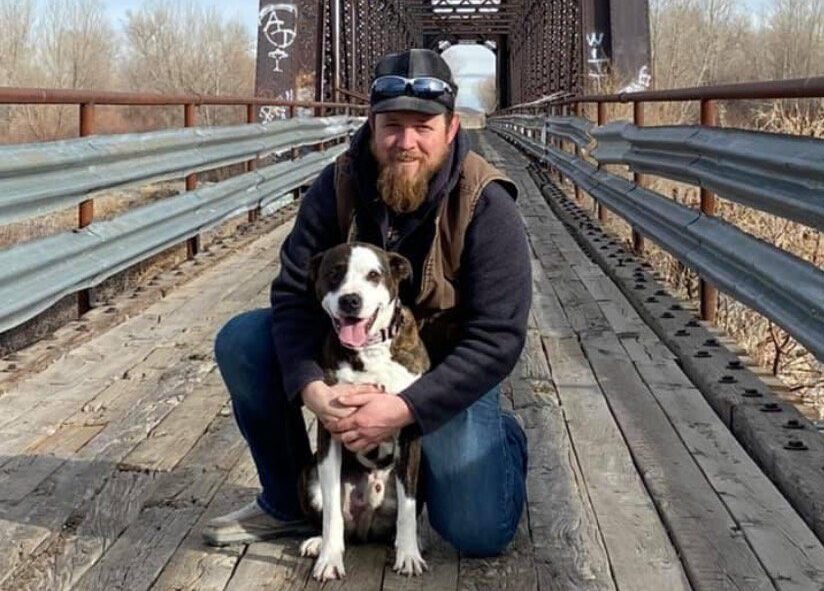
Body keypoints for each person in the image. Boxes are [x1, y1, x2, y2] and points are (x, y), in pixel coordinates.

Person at [206, 48, 531, 557]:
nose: (406, 142)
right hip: (348, 357)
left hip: (445, 374)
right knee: (244, 342)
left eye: (423, 126)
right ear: (373, 126)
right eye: (393, 126)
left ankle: (501, 441)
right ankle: (290, 503)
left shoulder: (486, 203)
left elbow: (498, 339)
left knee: (476, 531)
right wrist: (312, 387)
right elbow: (293, 295)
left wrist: (404, 408)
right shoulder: (337, 184)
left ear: (451, 128)